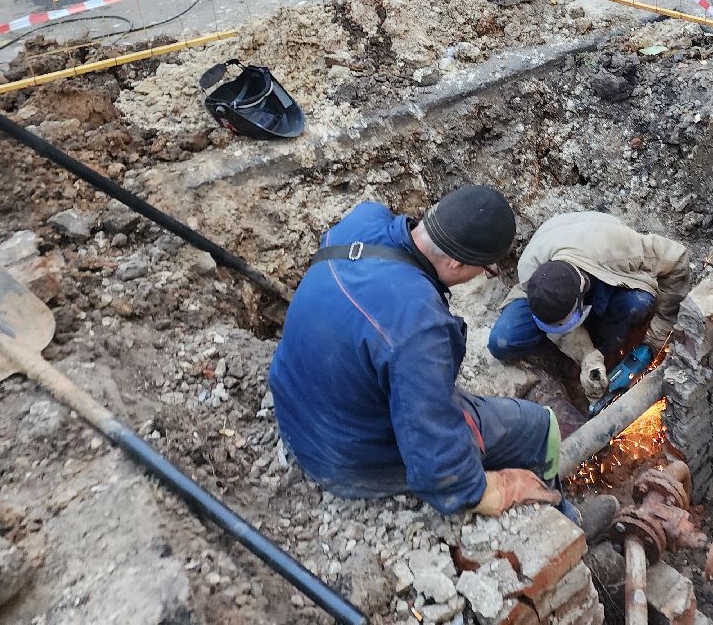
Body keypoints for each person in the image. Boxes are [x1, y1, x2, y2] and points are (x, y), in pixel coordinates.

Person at [267, 185, 563, 517]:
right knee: (537, 426)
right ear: (454, 263)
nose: (483, 275)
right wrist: (491, 491)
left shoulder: (363, 220)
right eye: (486, 269)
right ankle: (562, 510)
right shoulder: (420, 327)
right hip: (341, 458)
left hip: (296, 408)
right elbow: (437, 462)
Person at [488, 211, 688, 402]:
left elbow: (677, 257)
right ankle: (563, 363)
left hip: (602, 268)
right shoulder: (529, 268)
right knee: (504, 341)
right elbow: (561, 328)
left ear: (581, 296)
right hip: (555, 279)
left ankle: (608, 352)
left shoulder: (620, 249)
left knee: (638, 302)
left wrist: (659, 331)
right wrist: (588, 358)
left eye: (568, 321)